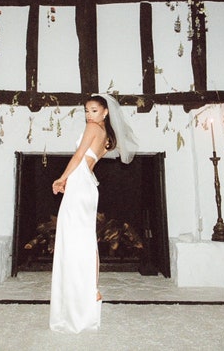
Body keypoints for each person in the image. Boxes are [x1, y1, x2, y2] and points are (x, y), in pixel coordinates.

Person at [49, 93, 138, 333]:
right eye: (87, 111)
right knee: (84, 239)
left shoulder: (92, 128)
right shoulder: (107, 136)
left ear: (105, 112)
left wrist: (61, 178)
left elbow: (79, 156)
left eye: (94, 110)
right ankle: (91, 290)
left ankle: (85, 293)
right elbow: (87, 160)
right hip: (86, 185)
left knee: (75, 239)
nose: (89, 115)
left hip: (80, 184)